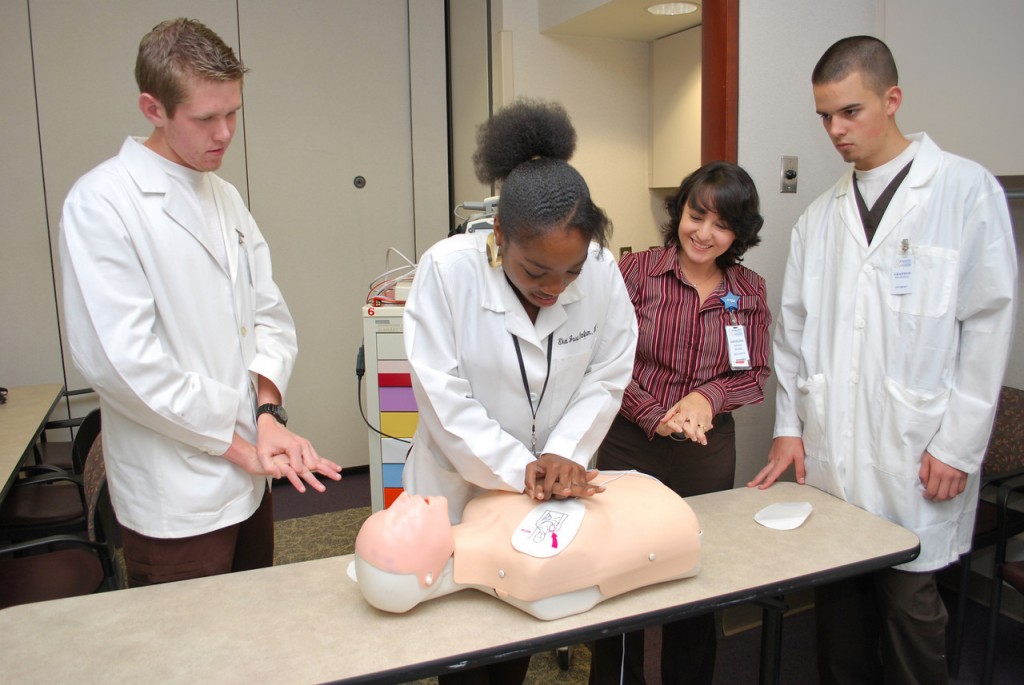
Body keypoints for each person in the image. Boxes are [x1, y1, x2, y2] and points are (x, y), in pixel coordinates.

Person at [748, 36, 1017, 684]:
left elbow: (988, 323)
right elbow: (795, 332)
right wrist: (788, 427)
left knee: (910, 622)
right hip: (835, 459)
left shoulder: (963, 191)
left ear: (892, 99)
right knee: (838, 625)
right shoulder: (820, 218)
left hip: (914, 453)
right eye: (824, 116)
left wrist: (958, 445)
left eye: (850, 111)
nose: (835, 130)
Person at [59, 18, 341, 587]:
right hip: (176, 495)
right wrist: (237, 446)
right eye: (205, 118)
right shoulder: (102, 204)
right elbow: (122, 364)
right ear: (153, 108)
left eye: (233, 113)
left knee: (250, 628)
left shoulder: (225, 197)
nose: (225, 133)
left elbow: (268, 313)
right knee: (187, 657)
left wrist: (266, 415)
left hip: (252, 469)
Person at [401, 98, 639, 683]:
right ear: (499, 233)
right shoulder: (447, 271)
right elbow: (441, 394)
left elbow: (609, 369)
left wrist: (566, 451)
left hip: (550, 490)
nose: (555, 288)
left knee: (519, 634)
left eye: (571, 271)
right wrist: (523, 467)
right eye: (536, 272)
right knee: (460, 644)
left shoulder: (604, 271)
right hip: (457, 487)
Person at [589, 162, 770, 685]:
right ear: (679, 211)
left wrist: (707, 397)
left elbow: (754, 373)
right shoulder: (636, 272)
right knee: (620, 573)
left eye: (721, 225)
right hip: (631, 445)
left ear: (739, 233)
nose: (703, 233)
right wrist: (655, 415)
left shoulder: (749, 290)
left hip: (706, 454)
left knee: (695, 578)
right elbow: (605, 361)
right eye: (696, 215)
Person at [352, 471, 701, 621]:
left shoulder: (482, 508)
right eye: (398, 522)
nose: (401, 502)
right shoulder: (528, 569)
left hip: (640, 494)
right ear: (426, 576)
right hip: (663, 515)